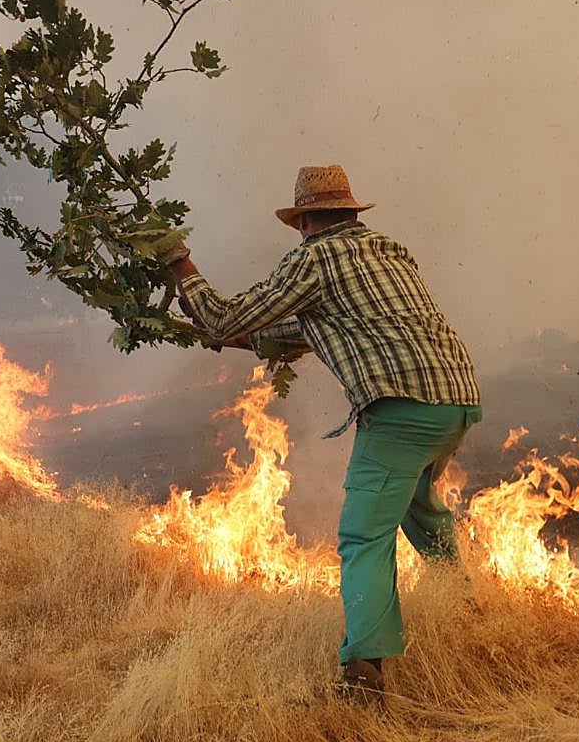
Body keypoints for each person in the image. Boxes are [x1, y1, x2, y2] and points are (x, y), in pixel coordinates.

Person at [157, 164, 481, 702]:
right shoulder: (389, 250)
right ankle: (469, 611)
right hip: (456, 399)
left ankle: (364, 672)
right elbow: (294, 331)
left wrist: (178, 262)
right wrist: (230, 337)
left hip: (401, 409)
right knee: (417, 506)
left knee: (362, 537)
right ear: (351, 213)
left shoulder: (315, 258)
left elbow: (225, 317)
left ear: (305, 220)